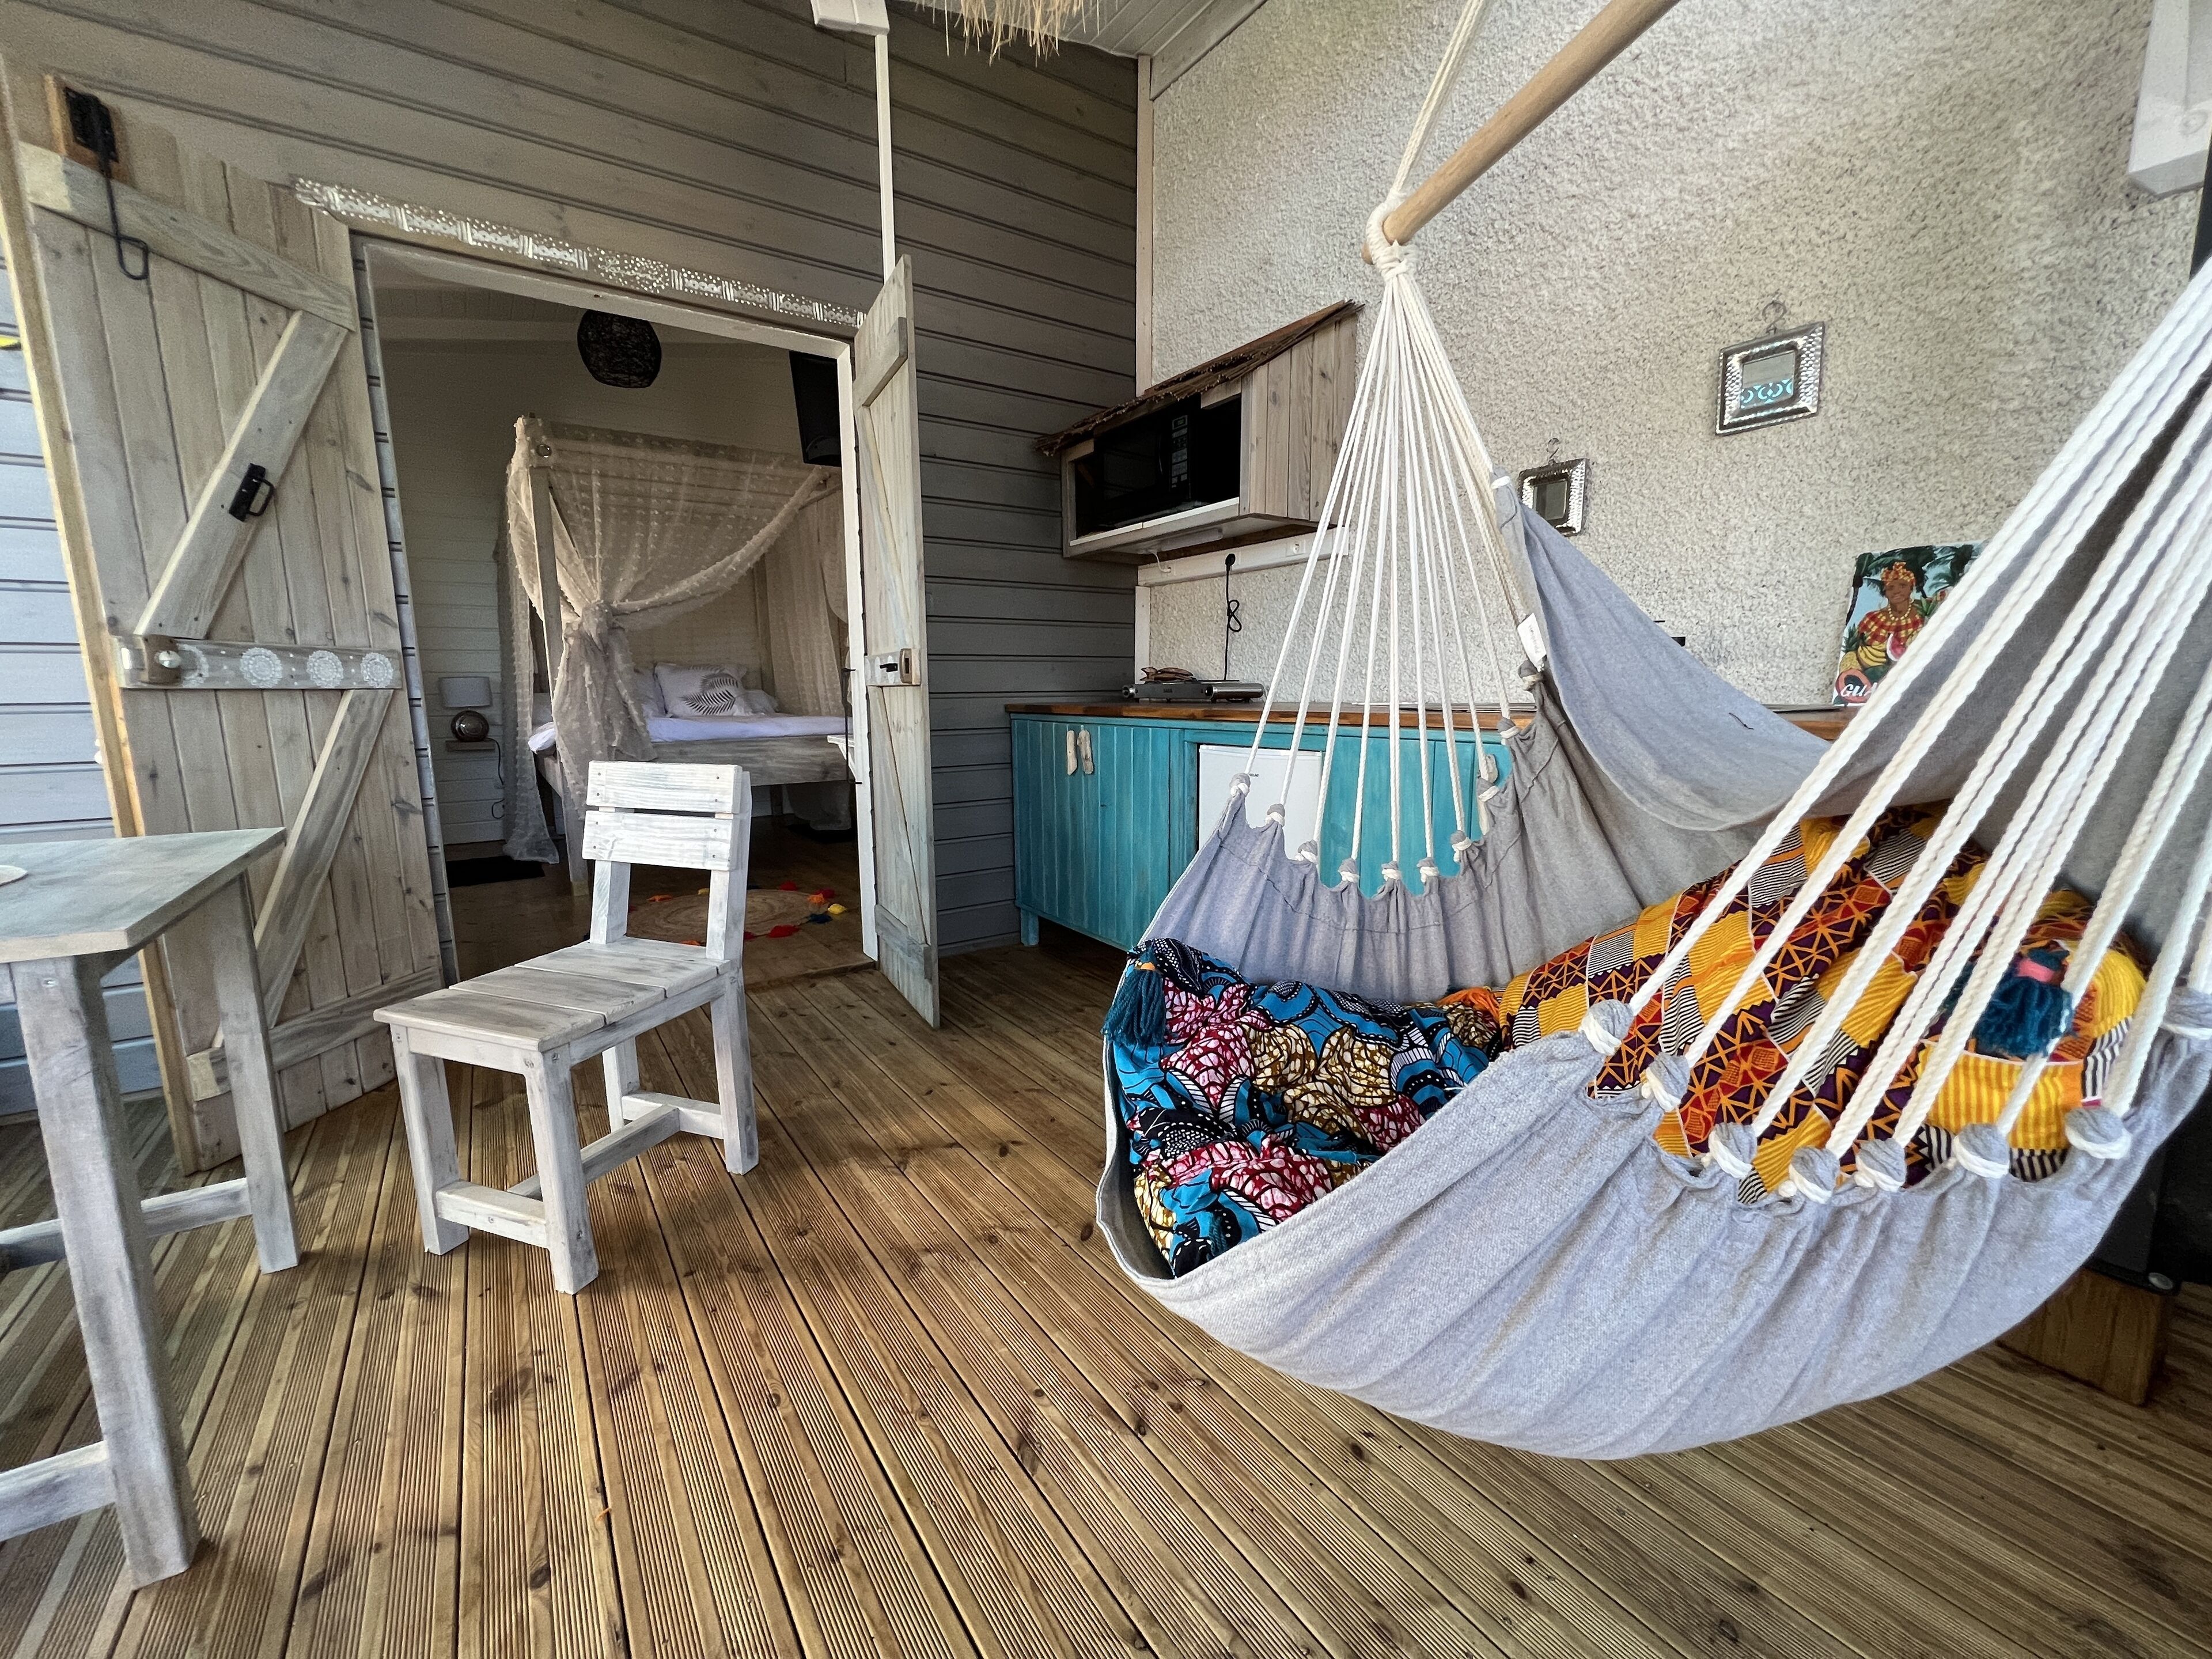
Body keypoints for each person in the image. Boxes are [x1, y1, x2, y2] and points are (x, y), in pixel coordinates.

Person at [1835, 559, 1936, 704]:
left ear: (1911, 588)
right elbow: (1855, 646)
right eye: (1891, 587)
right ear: (1886, 593)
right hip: (1870, 681)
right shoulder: (1872, 618)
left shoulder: (1925, 611)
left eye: (1903, 585)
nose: (1896, 591)